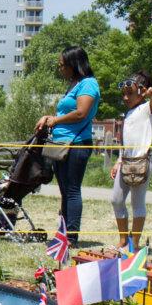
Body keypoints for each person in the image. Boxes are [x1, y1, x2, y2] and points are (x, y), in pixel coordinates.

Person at [35, 45, 100, 246]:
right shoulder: (73, 84)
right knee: (64, 190)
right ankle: (62, 234)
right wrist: (49, 118)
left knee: (72, 190)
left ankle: (71, 236)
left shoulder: (88, 84)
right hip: (61, 143)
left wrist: (55, 120)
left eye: (62, 65)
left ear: (74, 64)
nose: (60, 68)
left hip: (77, 144)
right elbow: (64, 113)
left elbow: (81, 113)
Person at [111, 71, 152, 250]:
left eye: (130, 93)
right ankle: (123, 239)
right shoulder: (127, 114)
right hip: (126, 161)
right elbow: (125, 141)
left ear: (141, 91)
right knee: (116, 200)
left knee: (137, 202)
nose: (125, 97)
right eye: (123, 94)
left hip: (143, 161)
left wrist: (148, 93)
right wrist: (118, 160)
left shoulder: (147, 109)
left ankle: (134, 243)